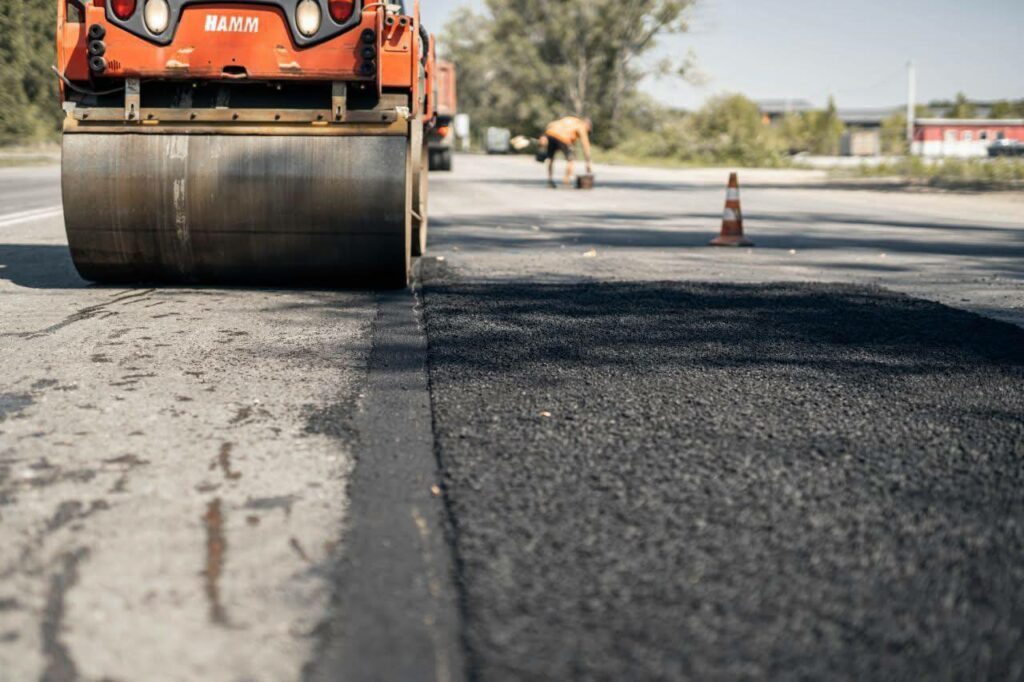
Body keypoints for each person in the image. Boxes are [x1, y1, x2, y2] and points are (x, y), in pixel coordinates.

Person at [539, 116, 593, 188]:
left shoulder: (571, 119)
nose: (587, 132)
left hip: (550, 133)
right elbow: (585, 144)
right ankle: (566, 180)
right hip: (563, 138)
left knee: (550, 158)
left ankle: (550, 180)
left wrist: (545, 137)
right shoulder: (581, 125)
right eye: (588, 131)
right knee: (570, 160)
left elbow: (551, 124)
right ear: (587, 125)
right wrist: (588, 162)